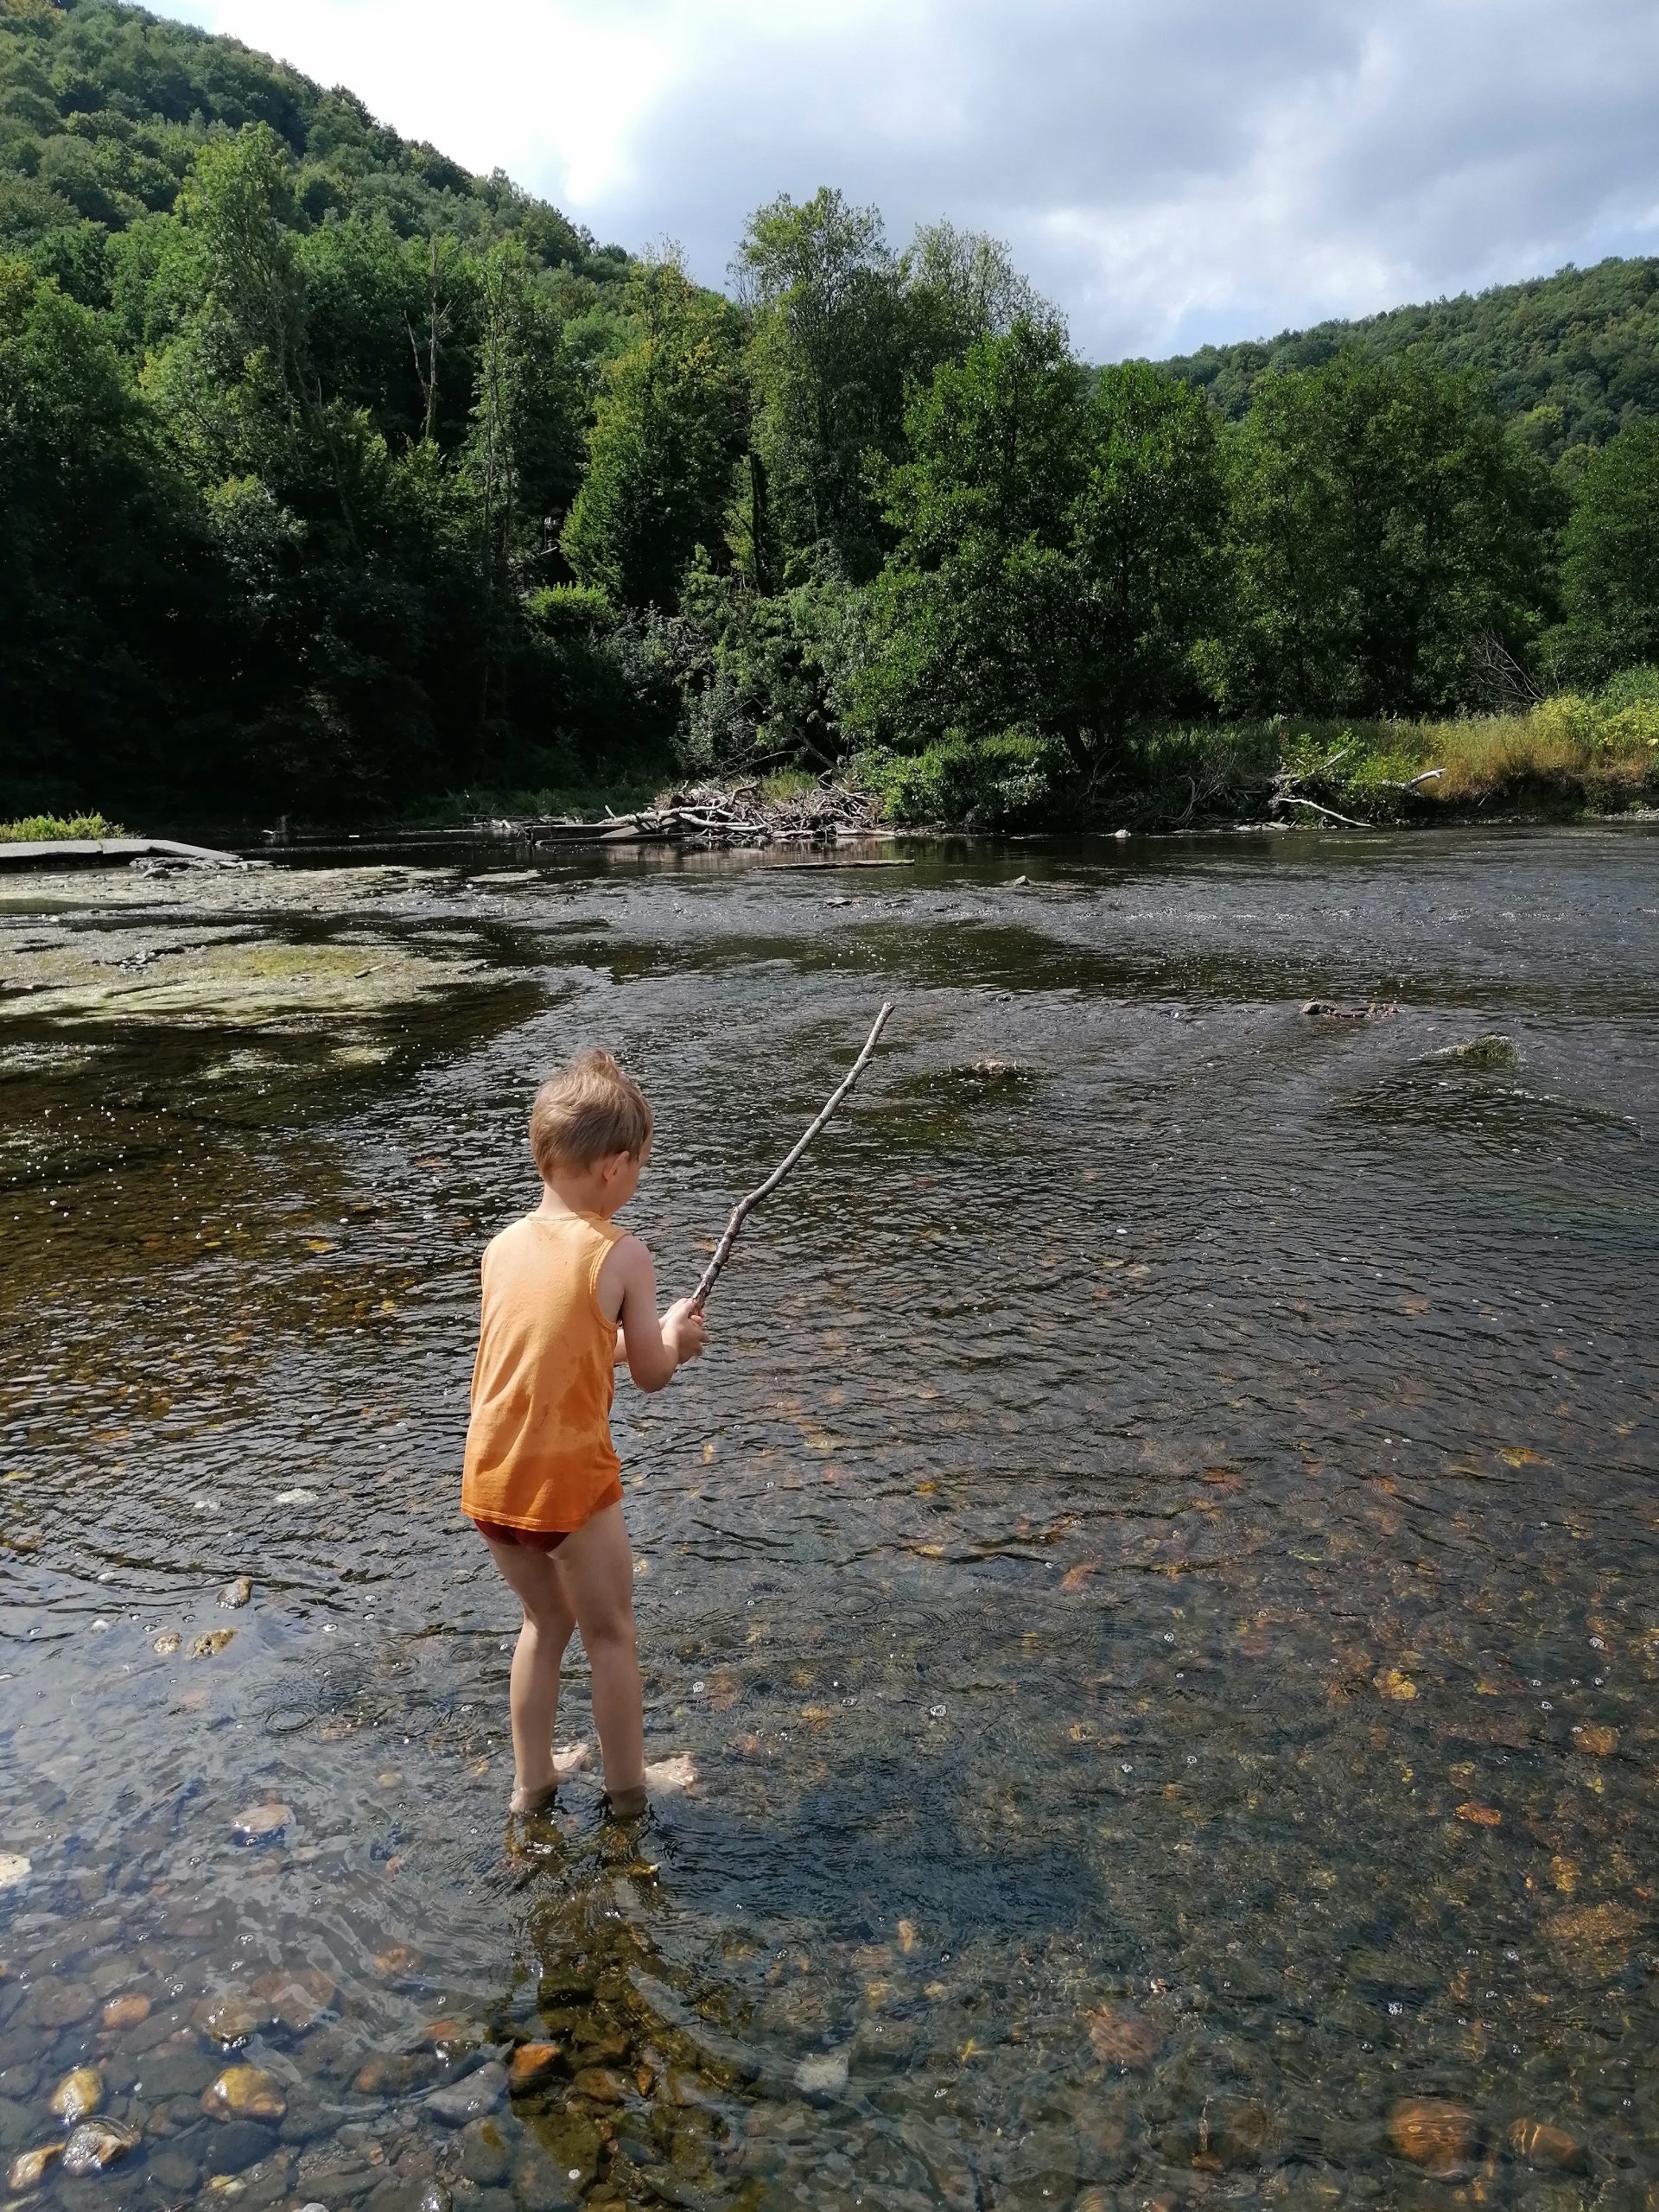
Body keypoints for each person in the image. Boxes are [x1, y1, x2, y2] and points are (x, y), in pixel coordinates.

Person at [462, 1047, 707, 1817]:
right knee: (610, 1635)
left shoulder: (501, 1247)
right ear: (614, 1167)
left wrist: (641, 1335)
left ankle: (531, 1782)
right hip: (567, 1483)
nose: (636, 1183)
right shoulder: (622, 1252)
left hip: (492, 1480)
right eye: (638, 1169)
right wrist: (675, 1340)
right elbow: (652, 1373)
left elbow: (558, 1345)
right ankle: (628, 1791)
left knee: (544, 1622)